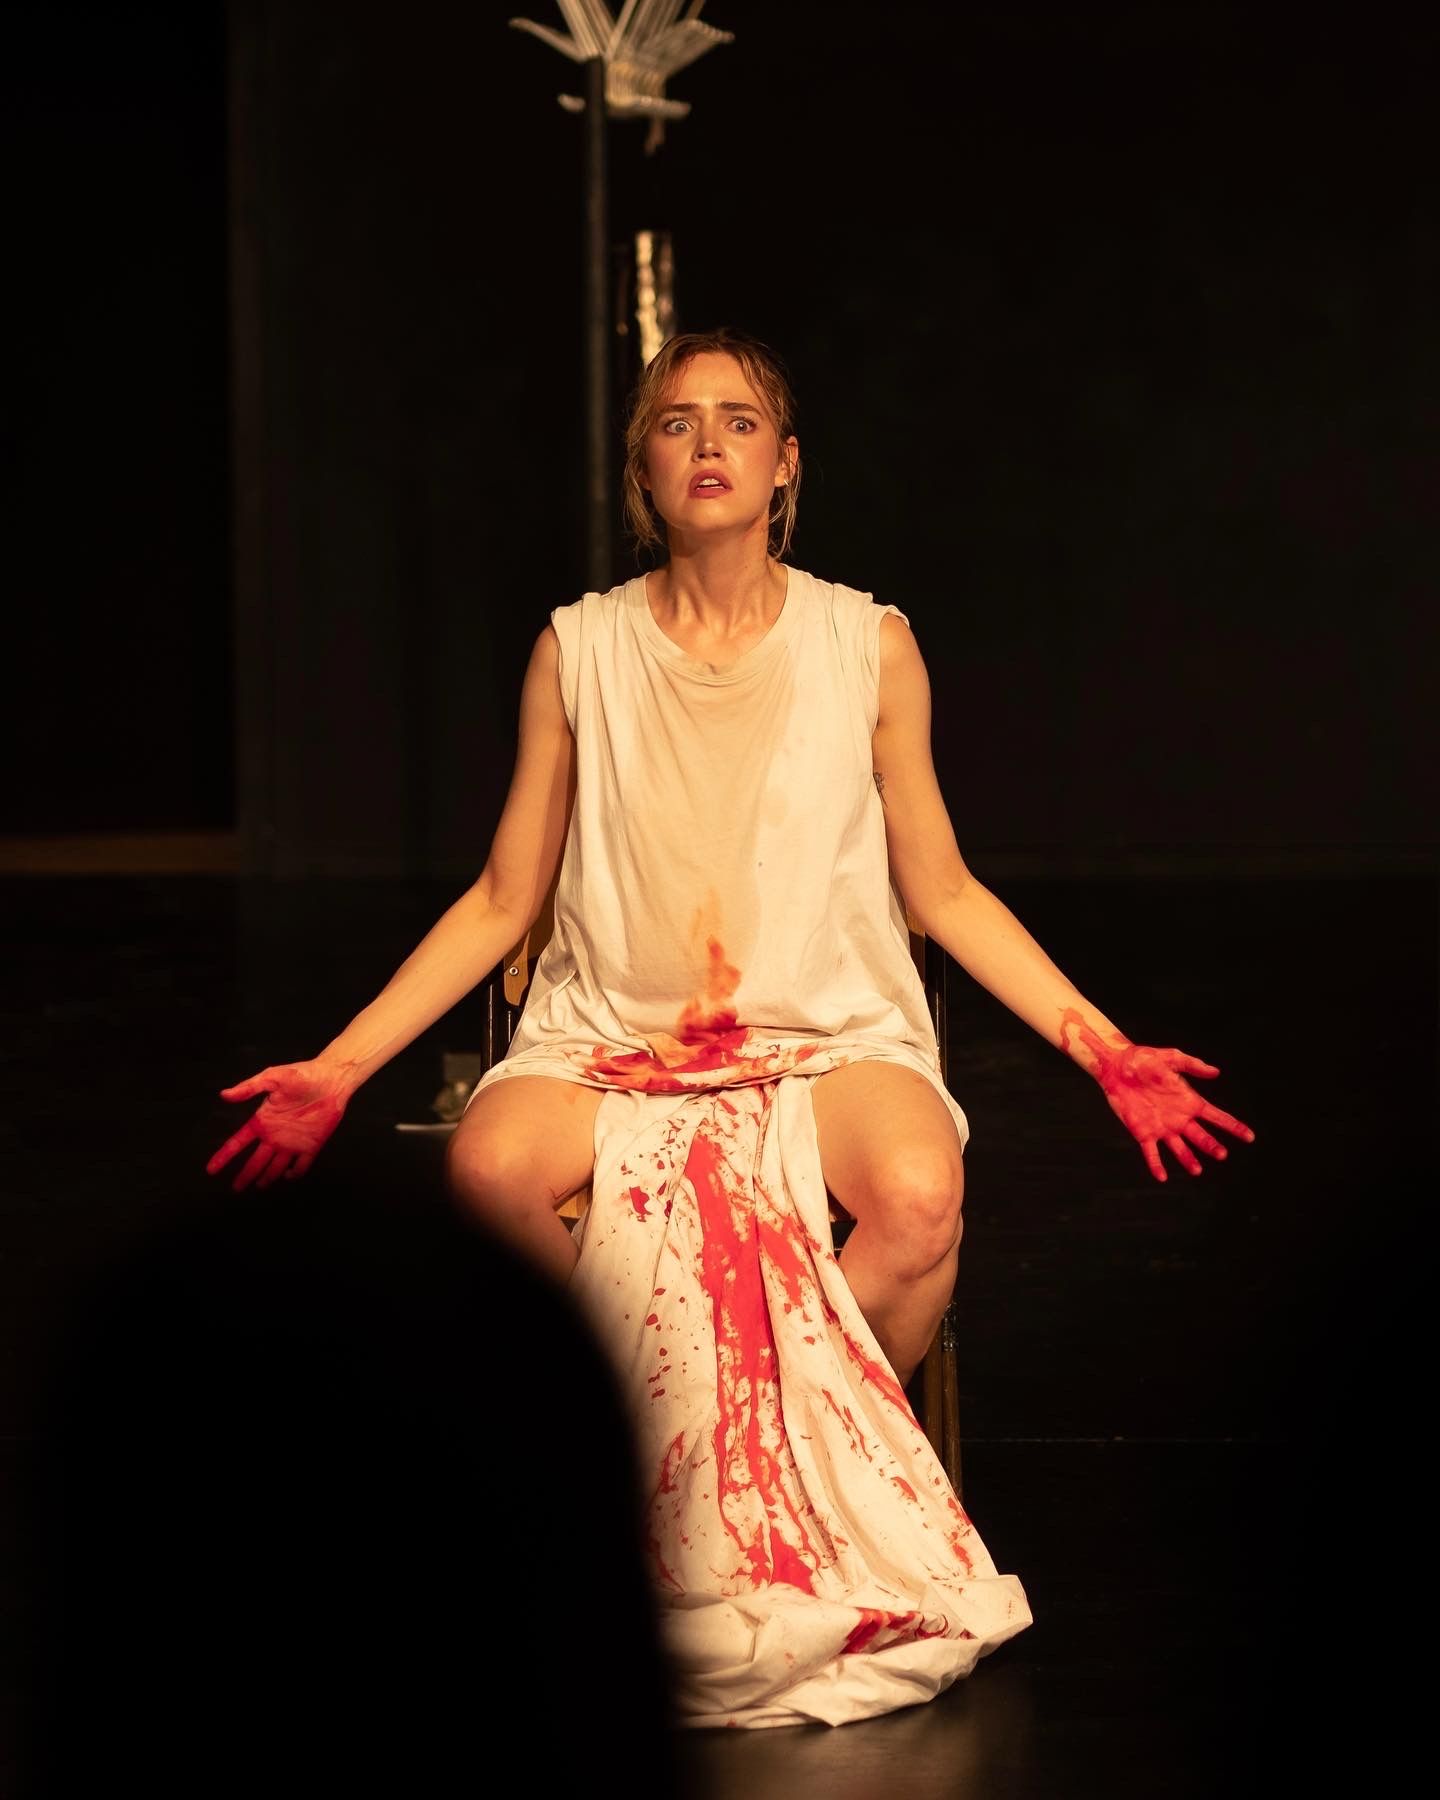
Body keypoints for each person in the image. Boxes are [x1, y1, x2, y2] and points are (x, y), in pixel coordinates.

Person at [207, 327, 1254, 1729]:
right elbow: (506, 895)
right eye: (677, 421)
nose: (709, 443)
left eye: (741, 421)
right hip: (609, 1040)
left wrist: (1101, 1045)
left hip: (825, 1034)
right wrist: (339, 1071)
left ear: (786, 466)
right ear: (642, 468)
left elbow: (940, 888)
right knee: (489, 1170)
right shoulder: (579, 650)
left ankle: (792, 1483)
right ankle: (632, 1466)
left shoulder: (866, 644)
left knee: (919, 1193)